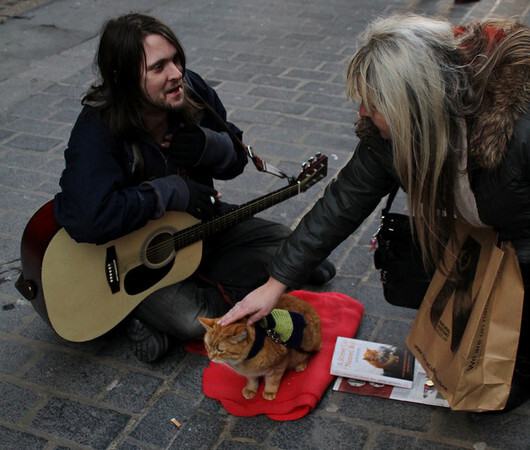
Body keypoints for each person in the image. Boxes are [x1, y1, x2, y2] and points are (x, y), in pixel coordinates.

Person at [219, 13, 530, 412]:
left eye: (374, 103)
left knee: (506, 382)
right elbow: (342, 202)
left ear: (414, 107)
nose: (362, 112)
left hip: (520, 240)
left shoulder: (517, 128)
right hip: (485, 236)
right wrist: (275, 284)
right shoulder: (391, 138)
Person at [53, 13, 335, 362]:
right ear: (123, 79)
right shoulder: (97, 127)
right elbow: (89, 218)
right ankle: (138, 311)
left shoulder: (191, 92)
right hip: (132, 259)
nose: (176, 74)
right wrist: (170, 191)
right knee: (191, 320)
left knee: (291, 251)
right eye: (158, 67)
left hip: (202, 227)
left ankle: (211, 284)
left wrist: (208, 145)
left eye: (176, 59)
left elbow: (236, 162)